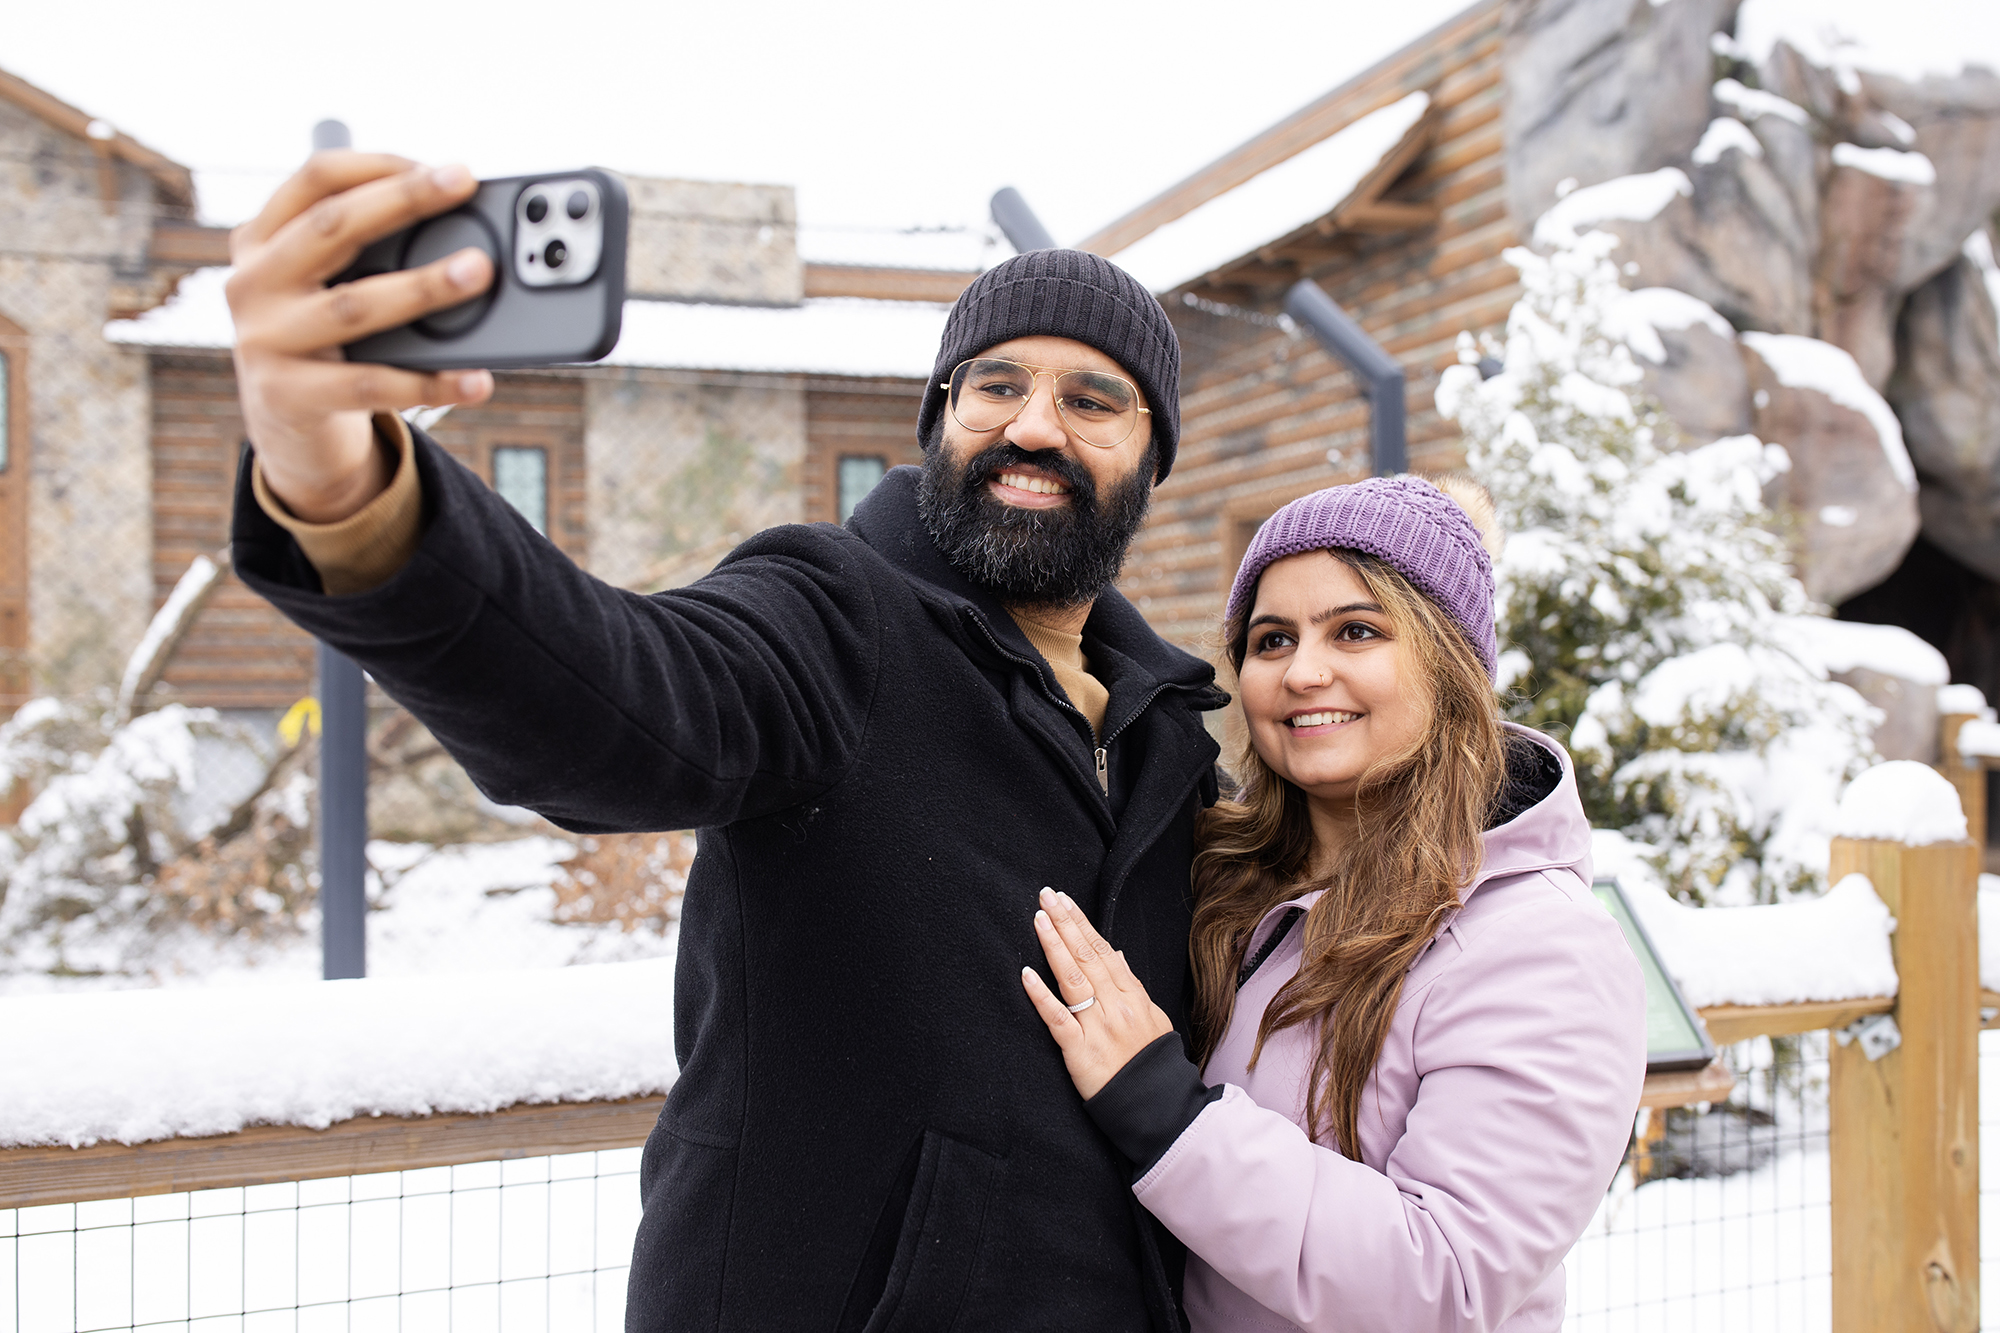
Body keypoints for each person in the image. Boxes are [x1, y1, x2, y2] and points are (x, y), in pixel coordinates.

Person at [222, 153, 1231, 1330]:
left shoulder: (1174, 740)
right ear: (938, 423)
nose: (1031, 426)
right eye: (993, 386)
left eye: (1090, 400)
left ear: (1150, 459)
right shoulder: (832, 618)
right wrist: (346, 487)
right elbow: (613, 696)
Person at [1020, 476, 1647, 1332]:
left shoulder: (1536, 943)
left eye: (1356, 630)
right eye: (1271, 639)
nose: (1304, 671)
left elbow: (1448, 1280)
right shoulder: (1228, 880)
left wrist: (1168, 1115)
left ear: (1449, 661)